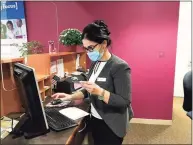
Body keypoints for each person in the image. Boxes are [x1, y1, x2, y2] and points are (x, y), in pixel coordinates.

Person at [52, 20, 133, 145]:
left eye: (90, 48)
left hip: (111, 124)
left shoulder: (119, 67)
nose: (88, 52)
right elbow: (89, 89)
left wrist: (100, 92)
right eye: (85, 48)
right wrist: (70, 96)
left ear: (104, 43)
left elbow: (124, 102)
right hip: (95, 118)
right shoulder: (95, 63)